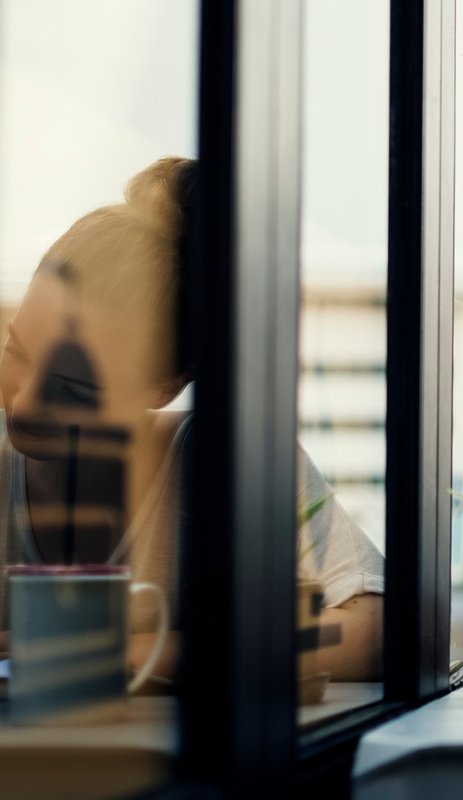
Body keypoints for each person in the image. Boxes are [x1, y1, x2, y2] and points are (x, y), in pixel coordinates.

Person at [0, 157, 385, 682]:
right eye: (17, 351)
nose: (21, 406)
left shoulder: (220, 457)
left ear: (163, 388)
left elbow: (371, 629)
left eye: (72, 389)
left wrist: (114, 654)